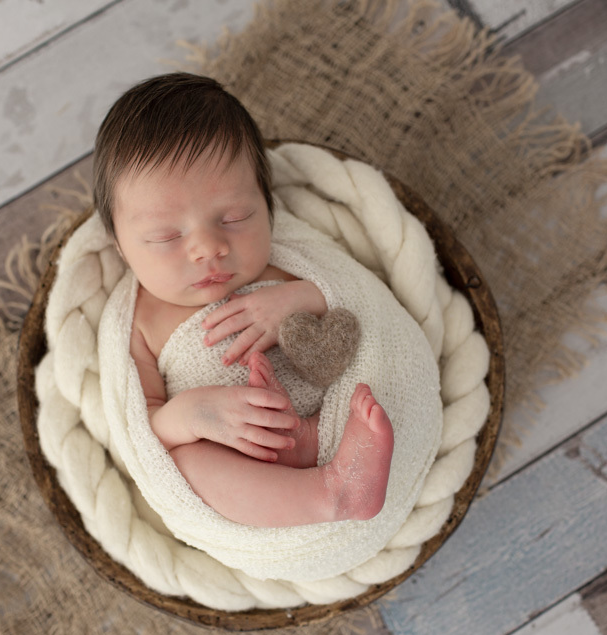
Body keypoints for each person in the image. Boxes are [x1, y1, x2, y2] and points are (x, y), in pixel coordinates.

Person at [92, 73, 394, 528]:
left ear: (266, 202)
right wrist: (195, 414)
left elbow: (358, 297)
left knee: (370, 394)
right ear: (120, 245)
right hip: (244, 467)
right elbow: (144, 427)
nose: (207, 248)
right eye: (166, 236)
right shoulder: (140, 322)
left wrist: (298, 297)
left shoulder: (284, 264)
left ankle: (328, 455)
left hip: (333, 423)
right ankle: (328, 495)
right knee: (191, 466)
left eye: (235, 217)